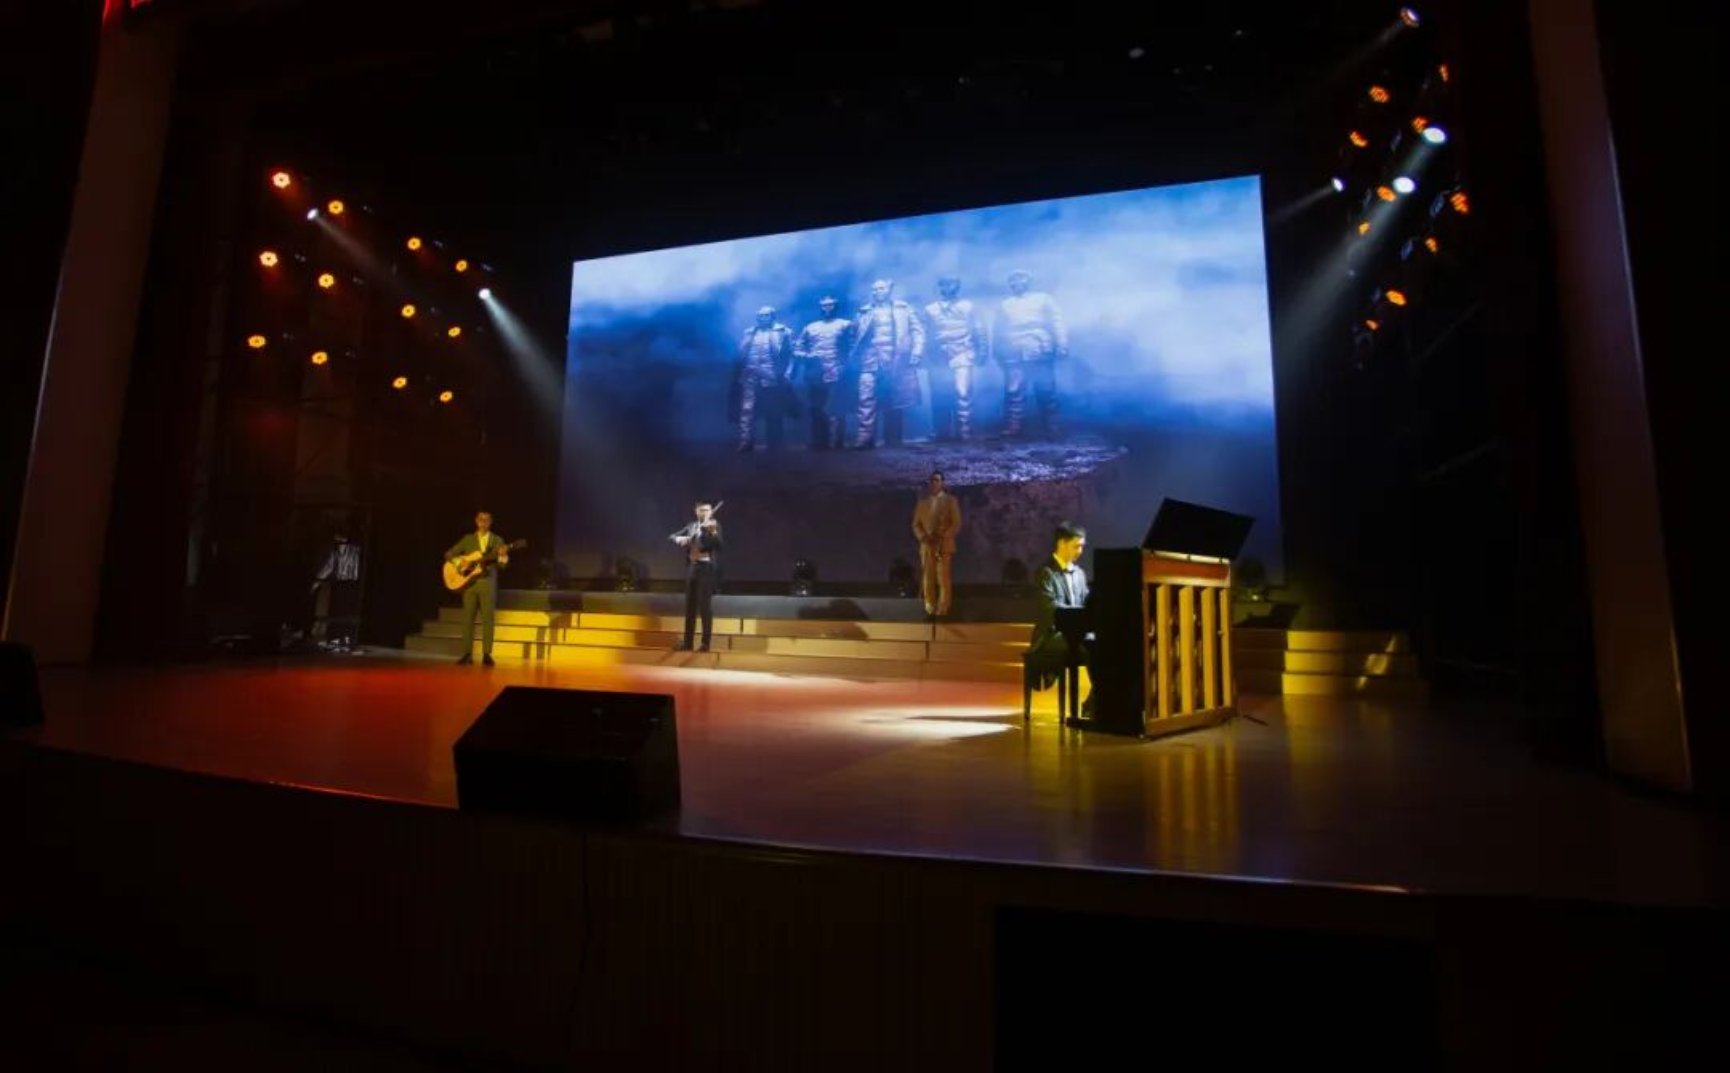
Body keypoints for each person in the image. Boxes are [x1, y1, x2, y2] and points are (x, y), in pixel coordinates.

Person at [849, 278, 925, 448]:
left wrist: (917, 351)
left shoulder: (903, 309)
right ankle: (865, 438)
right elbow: (854, 336)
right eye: (874, 289)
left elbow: (918, 331)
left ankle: (893, 439)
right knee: (866, 398)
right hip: (870, 360)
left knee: (895, 399)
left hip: (896, 359)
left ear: (889, 290)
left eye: (881, 288)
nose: (877, 292)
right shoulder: (864, 311)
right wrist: (854, 356)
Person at [996, 269, 1068, 438]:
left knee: (1045, 388)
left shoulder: (1043, 299)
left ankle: (1052, 426)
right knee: (1014, 389)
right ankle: (1014, 426)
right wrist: (998, 351)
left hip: (1039, 346)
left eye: (1020, 279)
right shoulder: (1005, 304)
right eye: (1013, 280)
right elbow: (998, 329)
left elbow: (1057, 321)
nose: (1016, 283)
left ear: (1028, 281)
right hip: (1013, 348)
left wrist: (1062, 344)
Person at [1029, 521, 1091, 711]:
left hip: (1075, 633)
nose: (1080, 551)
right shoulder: (1045, 572)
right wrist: (1078, 619)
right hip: (1051, 635)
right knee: (1090, 644)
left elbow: (1087, 603)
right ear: (1062, 543)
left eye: (1082, 546)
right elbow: (1049, 608)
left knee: (1102, 643)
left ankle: (1097, 698)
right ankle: (1096, 700)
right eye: (1076, 546)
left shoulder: (1079, 574)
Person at [923, 276, 986, 441]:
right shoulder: (930, 309)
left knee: (963, 392)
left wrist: (982, 352)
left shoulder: (969, 306)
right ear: (939, 287)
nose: (948, 287)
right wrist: (927, 356)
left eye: (952, 284)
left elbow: (979, 329)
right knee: (939, 395)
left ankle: (965, 430)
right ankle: (941, 432)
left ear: (958, 286)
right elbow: (926, 334)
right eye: (944, 284)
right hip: (939, 355)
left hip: (963, 352)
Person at [444, 511, 511, 666]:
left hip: (487, 583)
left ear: (491, 522)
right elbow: (449, 554)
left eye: (486, 519)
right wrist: (459, 563)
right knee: (468, 618)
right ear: (476, 521)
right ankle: (467, 654)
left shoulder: (497, 540)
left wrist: (503, 556)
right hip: (469, 584)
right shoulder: (468, 539)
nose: (483, 522)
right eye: (481, 519)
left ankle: (487, 654)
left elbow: (503, 566)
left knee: (488, 619)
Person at [793, 295, 854, 449]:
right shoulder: (810, 327)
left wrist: (845, 365)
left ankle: (837, 441)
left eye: (830, 305)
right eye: (824, 305)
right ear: (820, 307)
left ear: (836, 307)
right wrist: (808, 357)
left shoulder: (845, 325)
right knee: (816, 407)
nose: (827, 308)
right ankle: (819, 441)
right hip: (815, 373)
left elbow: (853, 348)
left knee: (837, 407)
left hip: (837, 371)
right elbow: (797, 349)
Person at [735, 306, 795, 452]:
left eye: (766, 315)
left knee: (773, 410)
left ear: (773, 316)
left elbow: (792, 355)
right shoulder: (750, 332)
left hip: (772, 374)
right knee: (747, 409)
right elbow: (742, 353)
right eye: (760, 315)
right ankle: (746, 441)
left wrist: (788, 373)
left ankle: (774, 443)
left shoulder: (784, 332)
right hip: (750, 372)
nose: (763, 318)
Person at [672, 500, 723, 651]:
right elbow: (673, 536)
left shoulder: (713, 526)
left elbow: (719, 545)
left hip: (706, 569)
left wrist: (712, 533)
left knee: (704, 607)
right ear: (696, 511)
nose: (705, 513)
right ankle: (688, 643)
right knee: (690, 607)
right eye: (702, 510)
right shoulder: (691, 526)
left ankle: (705, 643)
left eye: (708, 510)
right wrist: (680, 539)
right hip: (692, 568)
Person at [910, 470, 962, 617]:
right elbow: (915, 524)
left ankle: (943, 608)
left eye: (937, 480)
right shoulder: (922, 503)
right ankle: (929, 606)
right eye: (932, 480)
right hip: (927, 546)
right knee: (928, 577)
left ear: (942, 483)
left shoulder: (950, 501)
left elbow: (956, 523)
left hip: (943, 546)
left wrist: (943, 536)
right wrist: (923, 537)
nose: (934, 483)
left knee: (943, 578)